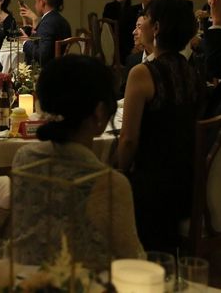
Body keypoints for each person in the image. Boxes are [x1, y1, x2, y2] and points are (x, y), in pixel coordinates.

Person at [12, 55, 143, 270]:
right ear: (100, 111)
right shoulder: (110, 184)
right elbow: (132, 263)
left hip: (25, 279)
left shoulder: (24, 159)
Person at [118, 0, 205, 252]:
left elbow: (128, 140)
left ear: (156, 28)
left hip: (152, 190)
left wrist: (117, 174)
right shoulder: (193, 72)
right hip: (188, 185)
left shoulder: (143, 73)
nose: (140, 23)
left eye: (145, 18)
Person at [20, 0, 72, 67]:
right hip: (61, 67)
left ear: (42, 1)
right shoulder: (62, 20)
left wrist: (26, 42)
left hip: (48, 71)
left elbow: (42, 56)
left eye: (36, 1)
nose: (35, 5)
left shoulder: (47, 23)